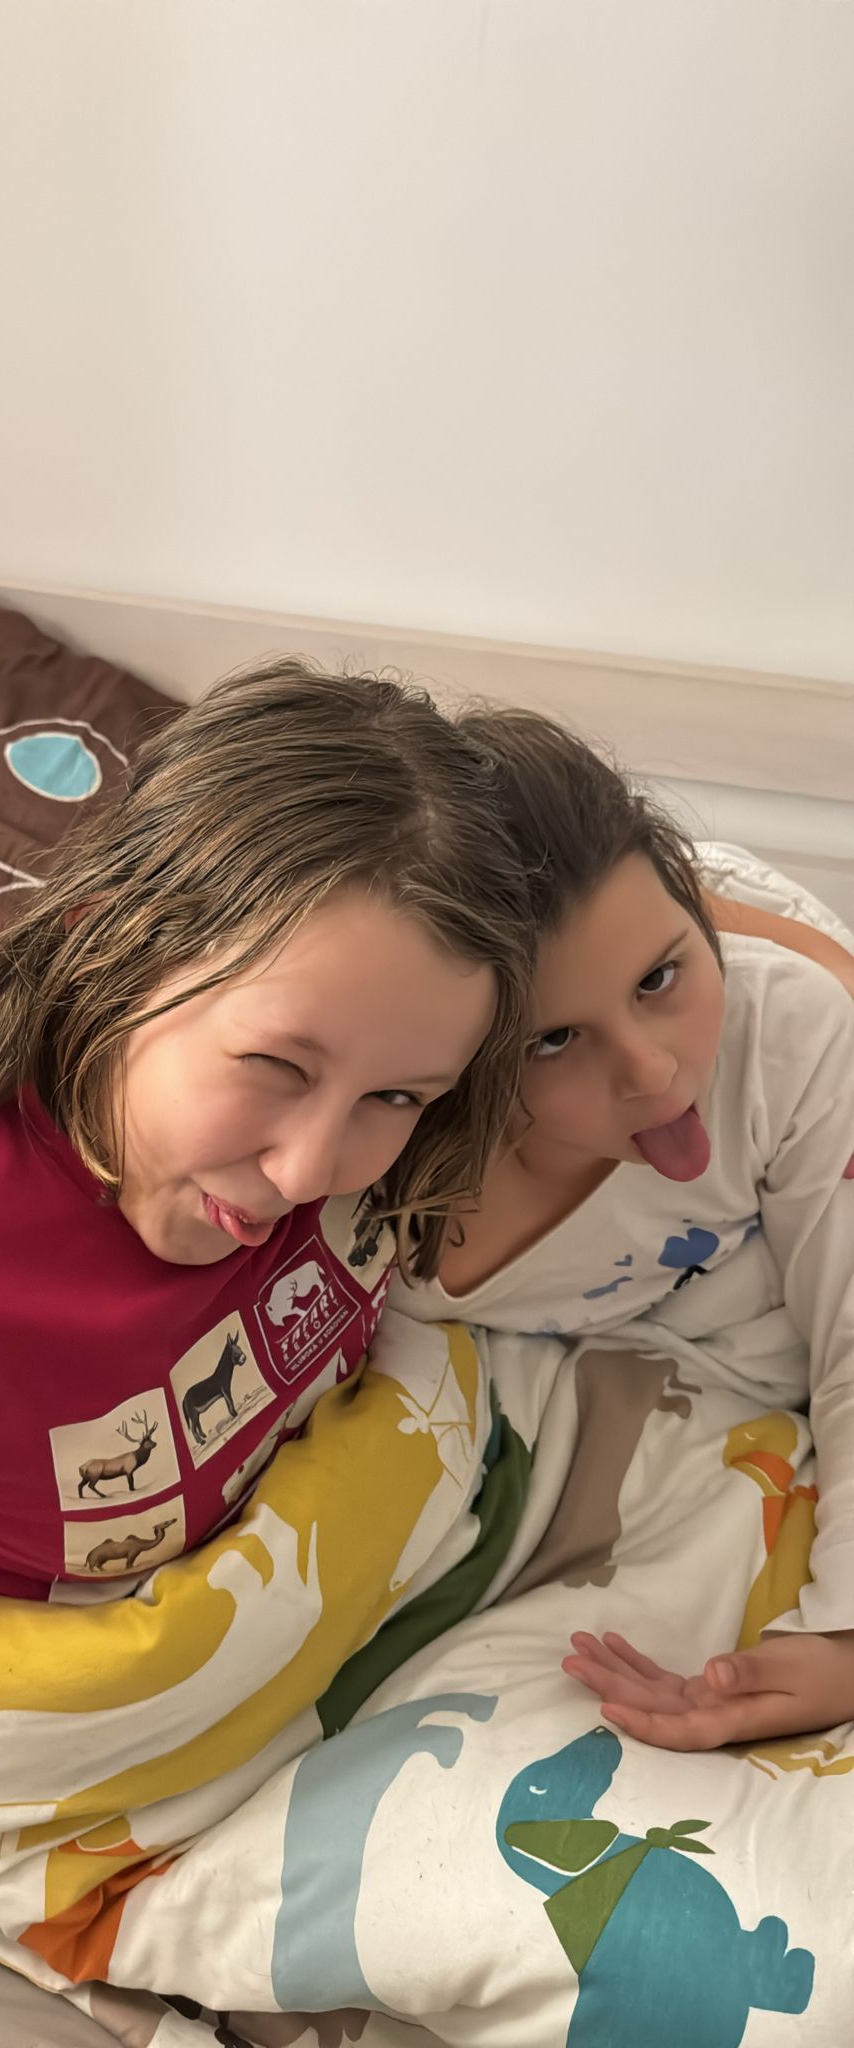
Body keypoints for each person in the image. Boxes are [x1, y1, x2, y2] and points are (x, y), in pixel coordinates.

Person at [0, 660, 534, 1787]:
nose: (308, 1172)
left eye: (395, 1096)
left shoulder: (403, 1108)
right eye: (275, 1065)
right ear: (113, 951)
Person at [395, 703, 854, 1753]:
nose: (652, 1071)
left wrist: (844, 1638)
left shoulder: (780, 1034)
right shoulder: (371, 1171)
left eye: (660, 978)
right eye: (554, 1040)